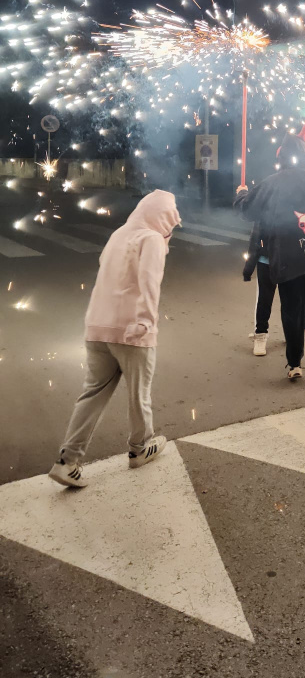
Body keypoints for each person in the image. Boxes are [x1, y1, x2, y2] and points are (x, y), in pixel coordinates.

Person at [48, 189, 180, 488]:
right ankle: (140, 448)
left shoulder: (119, 235)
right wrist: (145, 321)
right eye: (170, 224)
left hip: (97, 327)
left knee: (92, 393)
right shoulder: (152, 239)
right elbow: (149, 282)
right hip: (132, 330)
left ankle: (67, 460)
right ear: (162, 219)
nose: (170, 231)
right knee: (139, 394)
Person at [235, 126, 305, 381]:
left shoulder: (274, 182)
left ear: (282, 156)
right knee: (303, 309)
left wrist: (241, 194)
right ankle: (295, 361)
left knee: (298, 310)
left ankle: (295, 356)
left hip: (288, 259)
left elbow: (247, 211)